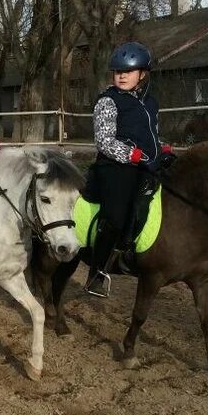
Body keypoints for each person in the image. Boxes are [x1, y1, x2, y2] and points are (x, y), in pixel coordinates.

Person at [85, 41, 174, 298]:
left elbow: (151, 134)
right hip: (115, 165)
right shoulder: (108, 101)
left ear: (142, 74)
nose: (122, 76)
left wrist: (163, 148)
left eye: (128, 71)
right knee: (115, 214)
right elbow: (104, 141)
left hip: (146, 163)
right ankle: (97, 272)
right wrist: (132, 154)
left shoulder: (151, 103)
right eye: (118, 71)